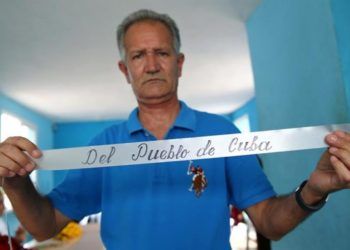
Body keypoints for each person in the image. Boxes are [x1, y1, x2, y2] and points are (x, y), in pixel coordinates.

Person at [0, 9, 349, 250]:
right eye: (138, 56)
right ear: (125, 69)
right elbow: (45, 225)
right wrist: (15, 182)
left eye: (162, 53)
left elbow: (270, 223)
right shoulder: (104, 147)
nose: (151, 65)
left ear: (179, 63)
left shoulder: (222, 134)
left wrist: (315, 189)